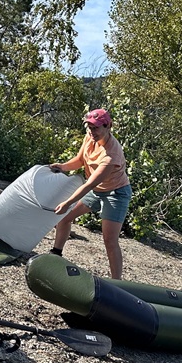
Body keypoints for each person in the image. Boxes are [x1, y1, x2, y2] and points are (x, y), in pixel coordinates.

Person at [49, 108, 131, 279]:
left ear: (108, 126)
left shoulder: (111, 155)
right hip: (96, 190)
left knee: (109, 240)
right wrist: (63, 166)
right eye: (89, 128)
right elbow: (80, 160)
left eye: (96, 128)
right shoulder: (89, 138)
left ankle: (117, 282)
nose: (92, 132)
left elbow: (90, 183)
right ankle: (55, 254)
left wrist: (67, 202)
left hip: (115, 193)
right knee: (64, 218)